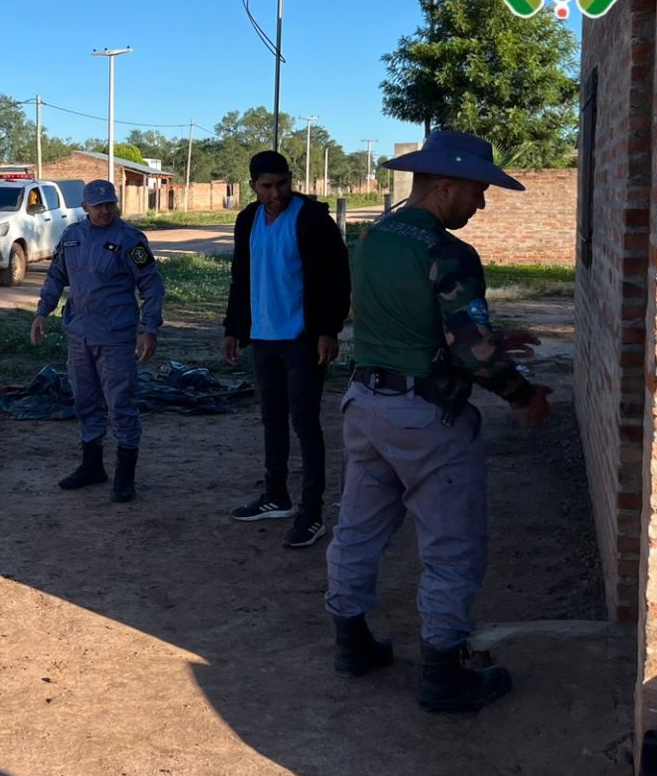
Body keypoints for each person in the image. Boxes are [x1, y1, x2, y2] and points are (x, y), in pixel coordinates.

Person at [325, 130, 551, 713]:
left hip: (365, 406)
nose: (481, 204)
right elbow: (469, 352)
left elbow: (413, 325)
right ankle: (443, 677)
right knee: (452, 547)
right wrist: (522, 395)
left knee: (358, 528)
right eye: (477, 191)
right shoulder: (449, 254)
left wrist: (494, 339)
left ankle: (350, 644)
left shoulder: (375, 240)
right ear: (445, 186)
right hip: (426, 421)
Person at [222, 150, 351, 548]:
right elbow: (240, 279)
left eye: (282, 184)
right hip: (263, 338)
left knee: (305, 423)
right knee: (271, 418)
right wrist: (232, 329)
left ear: (290, 179)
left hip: (303, 340)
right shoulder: (248, 220)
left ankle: (312, 514)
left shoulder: (313, 219)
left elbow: (337, 278)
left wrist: (328, 330)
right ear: (253, 187)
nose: (276, 193)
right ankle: (275, 496)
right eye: (266, 186)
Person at [31, 178, 164, 502]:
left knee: (120, 403)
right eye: (98, 205)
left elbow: (151, 285)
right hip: (79, 334)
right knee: (84, 400)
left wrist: (150, 329)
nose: (105, 211)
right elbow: (56, 276)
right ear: (85, 207)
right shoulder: (72, 237)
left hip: (116, 337)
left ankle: (124, 476)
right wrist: (42, 312)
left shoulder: (130, 240)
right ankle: (92, 467)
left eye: (110, 204)